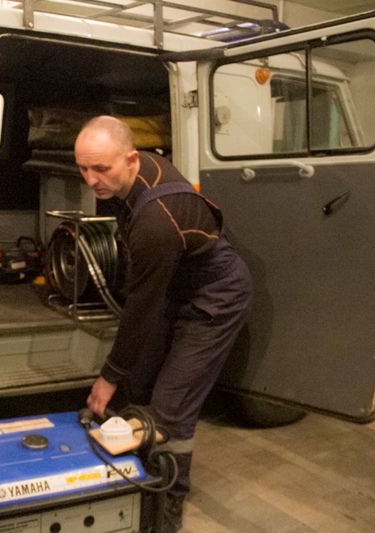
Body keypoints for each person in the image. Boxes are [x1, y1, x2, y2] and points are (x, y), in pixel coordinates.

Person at [76, 116, 253, 532]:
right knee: (141, 378)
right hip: (178, 284)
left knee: (171, 407)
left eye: (101, 169)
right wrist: (125, 373)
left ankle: (168, 504)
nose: (91, 180)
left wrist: (107, 376)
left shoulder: (156, 219)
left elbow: (141, 308)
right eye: (83, 168)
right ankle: (141, 471)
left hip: (216, 296)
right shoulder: (136, 175)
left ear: (131, 158)